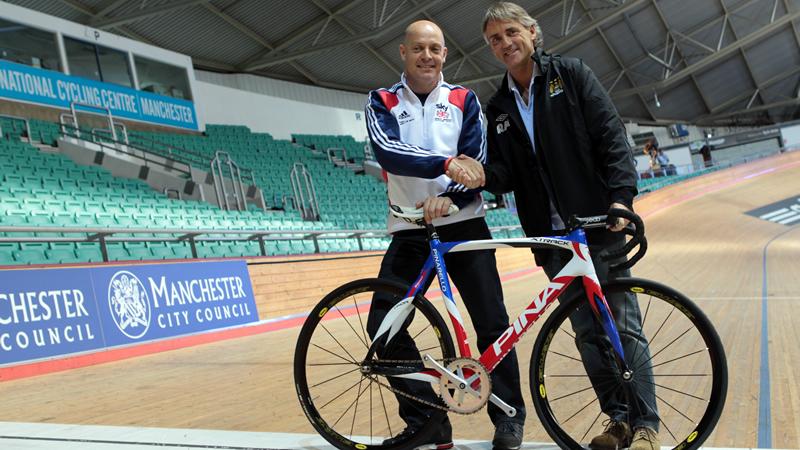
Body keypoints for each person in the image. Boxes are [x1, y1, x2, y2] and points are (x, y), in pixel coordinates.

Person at [448, 3, 660, 450]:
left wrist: (621, 198)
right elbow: (505, 172)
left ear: (531, 32)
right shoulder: (499, 105)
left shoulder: (571, 73)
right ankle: (618, 421)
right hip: (553, 240)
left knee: (623, 327)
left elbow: (610, 136)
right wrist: (482, 173)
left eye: (510, 33)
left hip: (598, 227)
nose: (504, 44)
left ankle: (645, 427)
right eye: (494, 40)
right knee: (586, 332)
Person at [364, 20, 527, 450]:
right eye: (418, 48)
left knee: (492, 323)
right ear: (403, 52)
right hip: (410, 230)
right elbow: (388, 152)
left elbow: (475, 162)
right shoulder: (381, 100)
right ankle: (427, 420)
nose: (427, 56)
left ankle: (508, 416)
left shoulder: (464, 99)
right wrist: (443, 164)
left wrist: (450, 198)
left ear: (445, 54)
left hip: (464, 225)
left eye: (435, 48)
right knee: (384, 325)